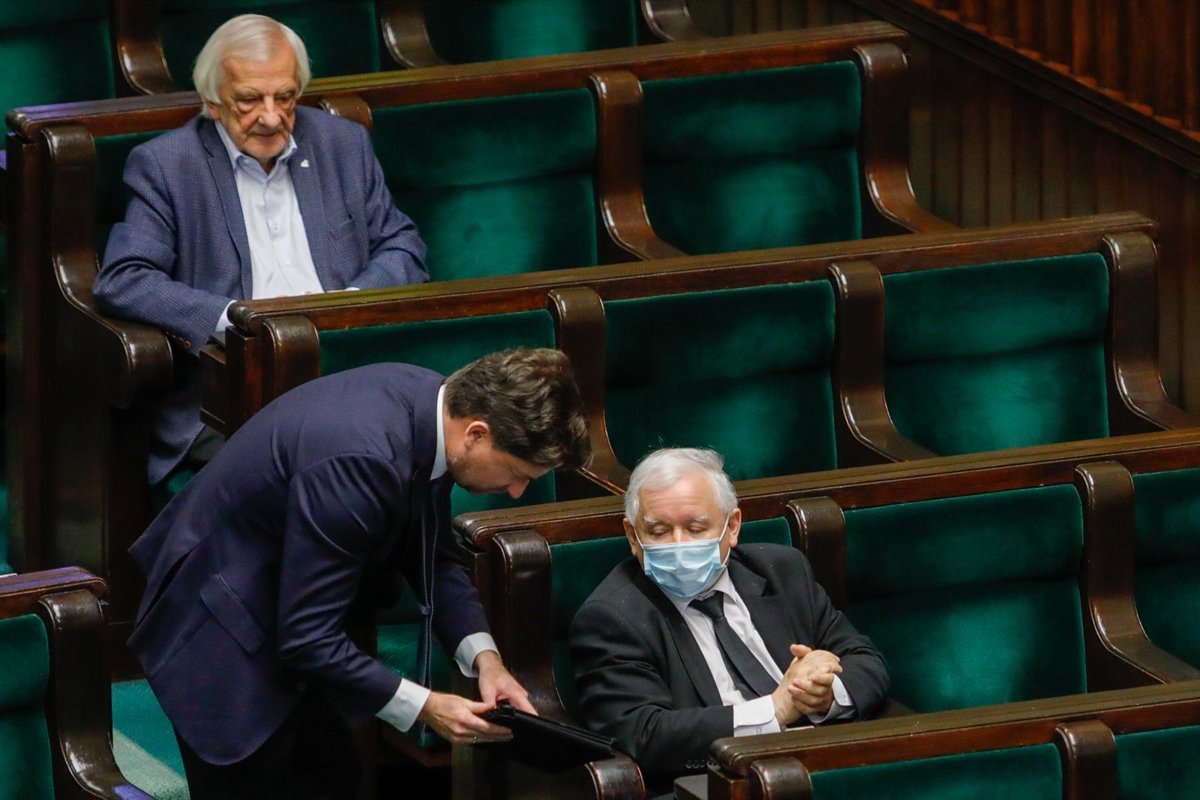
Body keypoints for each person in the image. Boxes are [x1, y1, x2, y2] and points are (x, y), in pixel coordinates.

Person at [128, 348, 590, 799]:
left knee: (335, 777)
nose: (516, 492)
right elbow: (307, 637)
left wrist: (487, 662)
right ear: (476, 433)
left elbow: (432, 555)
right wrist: (427, 706)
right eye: (517, 473)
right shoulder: (361, 461)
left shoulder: (432, 407)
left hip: (293, 622)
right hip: (222, 636)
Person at [94, 13, 427, 486]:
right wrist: (237, 321)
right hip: (237, 387)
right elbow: (124, 278)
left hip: (347, 366)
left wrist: (348, 306)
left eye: (285, 97)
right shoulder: (167, 165)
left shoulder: (342, 144)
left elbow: (402, 245)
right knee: (333, 453)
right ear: (213, 102)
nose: (271, 117)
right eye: (250, 100)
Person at [569, 448, 888, 786]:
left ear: (732, 526)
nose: (679, 546)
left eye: (696, 528)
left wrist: (824, 693)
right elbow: (645, 734)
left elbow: (864, 659)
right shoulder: (611, 617)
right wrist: (776, 709)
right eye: (659, 532)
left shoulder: (782, 572)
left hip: (826, 768)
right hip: (720, 784)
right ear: (633, 537)